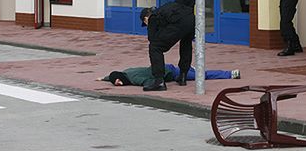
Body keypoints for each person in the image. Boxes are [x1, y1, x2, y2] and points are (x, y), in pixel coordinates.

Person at [140, 0, 195, 91]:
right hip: (190, 21)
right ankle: (183, 76)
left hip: (178, 23)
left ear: (145, 19)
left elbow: (152, 40)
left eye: (145, 23)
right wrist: (189, 10)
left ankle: (159, 81)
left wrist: (153, 28)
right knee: (186, 44)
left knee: (155, 48)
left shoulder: (153, 18)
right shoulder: (169, 7)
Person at [97, 64, 240, 87]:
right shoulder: (127, 71)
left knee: (202, 76)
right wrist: (102, 78)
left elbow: (147, 81)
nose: (117, 83)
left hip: (172, 73)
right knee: (196, 74)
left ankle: (230, 74)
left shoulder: (133, 79)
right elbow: (112, 76)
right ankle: (190, 69)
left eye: (117, 81)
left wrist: (148, 86)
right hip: (167, 67)